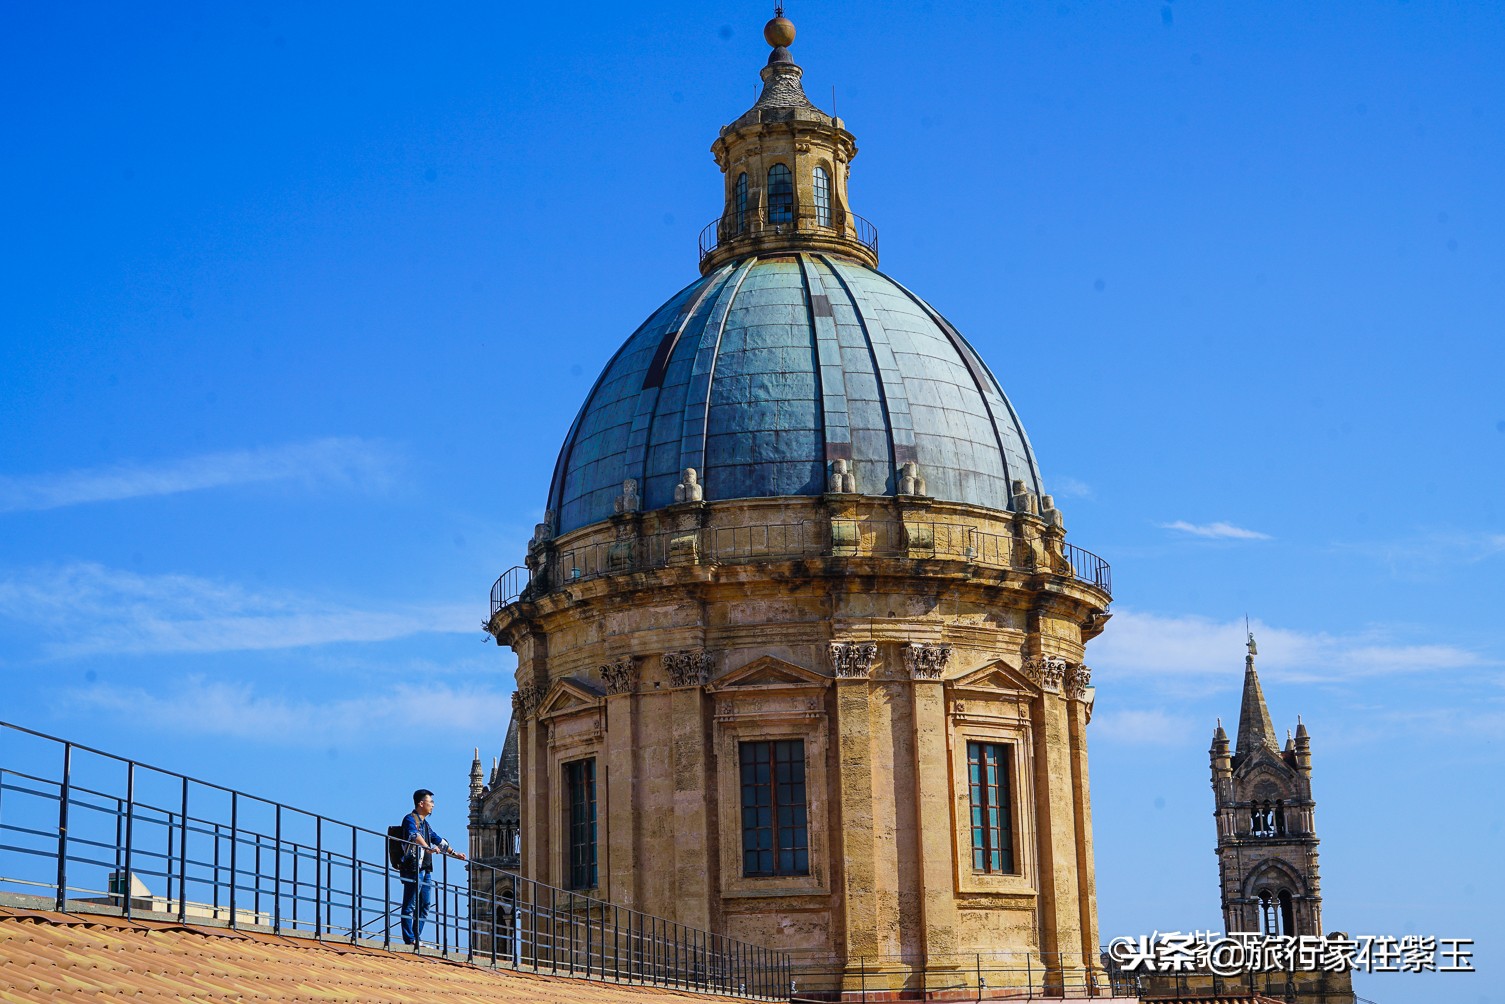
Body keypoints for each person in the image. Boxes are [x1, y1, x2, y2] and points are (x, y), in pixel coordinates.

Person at [399, 788, 466, 946]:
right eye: (431, 802)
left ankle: (416, 937)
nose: (433, 806)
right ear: (421, 803)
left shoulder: (425, 824)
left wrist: (454, 853)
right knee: (410, 904)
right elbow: (414, 835)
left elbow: (437, 839)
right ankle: (410, 939)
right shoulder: (410, 819)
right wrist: (427, 848)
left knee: (425, 904)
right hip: (413, 868)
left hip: (426, 869)